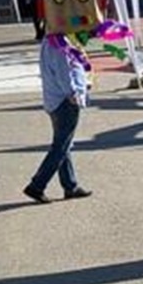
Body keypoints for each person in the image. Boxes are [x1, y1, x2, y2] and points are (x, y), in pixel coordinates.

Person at [23, 36, 93, 204]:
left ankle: (70, 185)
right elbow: (64, 73)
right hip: (64, 101)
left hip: (56, 99)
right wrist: (73, 93)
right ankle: (37, 185)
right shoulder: (58, 44)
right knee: (61, 147)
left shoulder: (53, 41)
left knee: (64, 144)